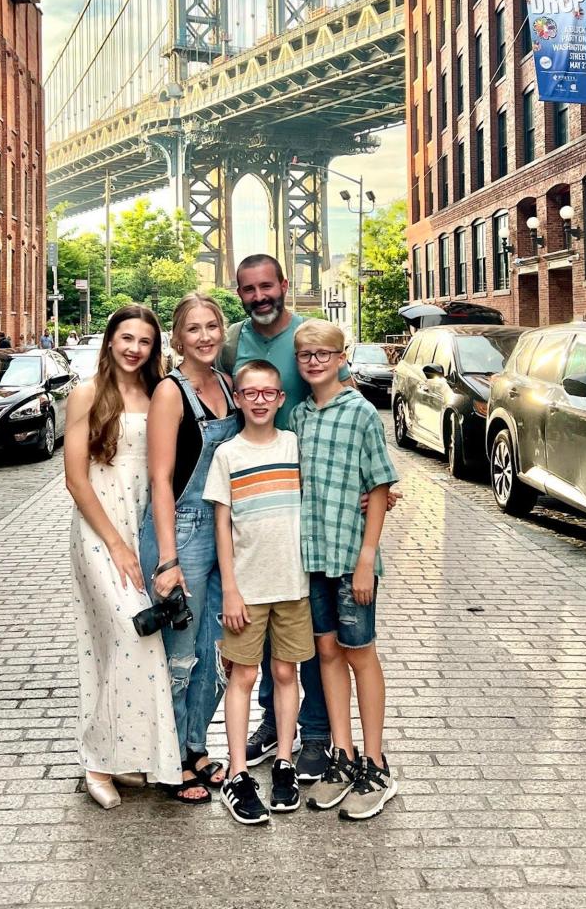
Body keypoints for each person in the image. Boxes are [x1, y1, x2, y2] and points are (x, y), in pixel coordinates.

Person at [218, 253, 352, 783]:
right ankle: (277, 727)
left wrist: (372, 488)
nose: (258, 297)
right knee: (270, 624)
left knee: (314, 633)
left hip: (312, 505)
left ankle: (315, 735)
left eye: (266, 286)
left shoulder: (307, 336)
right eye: (247, 289)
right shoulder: (232, 341)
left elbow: (343, 396)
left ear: (284, 285)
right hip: (258, 497)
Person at [65, 305, 182, 810]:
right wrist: (114, 542)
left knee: (127, 646)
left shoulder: (159, 394)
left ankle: (125, 755)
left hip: (143, 528)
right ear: (110, 339)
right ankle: (96, 761)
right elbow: (75, 478)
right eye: (127, 338)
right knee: (127, 634)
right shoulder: (87, 393)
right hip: (100, 530)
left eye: (146, 341)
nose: (135, 348)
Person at [291, 319, 398, 821]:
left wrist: (365, 558)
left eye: (323, 354)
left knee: (360, 654)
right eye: (305, 355)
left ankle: (376, 764)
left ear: (341, 357)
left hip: (352, 558)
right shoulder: (298, 417)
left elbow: (379, 487)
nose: (313, 361)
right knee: (327, 652)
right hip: (311, 558)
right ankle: (343, 753)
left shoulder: (360, 414)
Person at [204, 359, 313, 825]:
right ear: (239, 398)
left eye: (269, 393)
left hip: (293, 584)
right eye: (251, 393)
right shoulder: (228, 454)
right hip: (246, 588)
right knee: (243, 678)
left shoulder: (294, 446)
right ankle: (239, 774)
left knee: (287, 674)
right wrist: (230, 589)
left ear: (281, 397)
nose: (261, 400)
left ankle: (284, 761)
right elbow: (222, 526)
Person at [140, 292, 239, 803]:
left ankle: (197, 744)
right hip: (180, 527)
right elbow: (159, 480)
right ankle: (173, 757)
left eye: (212, 326)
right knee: (179, 655)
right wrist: (168, 559)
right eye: (193, 329)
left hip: (225, 529)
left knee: (214, 649)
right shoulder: (171, 393)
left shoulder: (226, 384)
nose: (205, 336)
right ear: (177, 339)